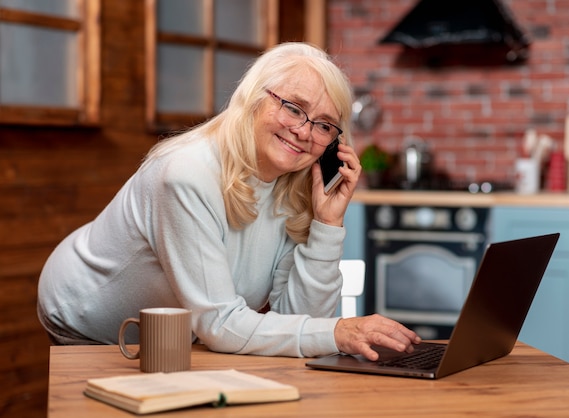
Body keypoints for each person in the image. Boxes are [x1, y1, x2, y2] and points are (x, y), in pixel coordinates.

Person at [37, 42, 420, 361]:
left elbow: (296, 320)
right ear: (254, 99)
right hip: (85, 318)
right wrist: (338, 333)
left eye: (323, 125)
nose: (304, 131)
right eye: (292, 107)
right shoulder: (185, 173)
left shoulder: (295, 184)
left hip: (180, 333)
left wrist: (326, 224)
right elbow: (220, 323)